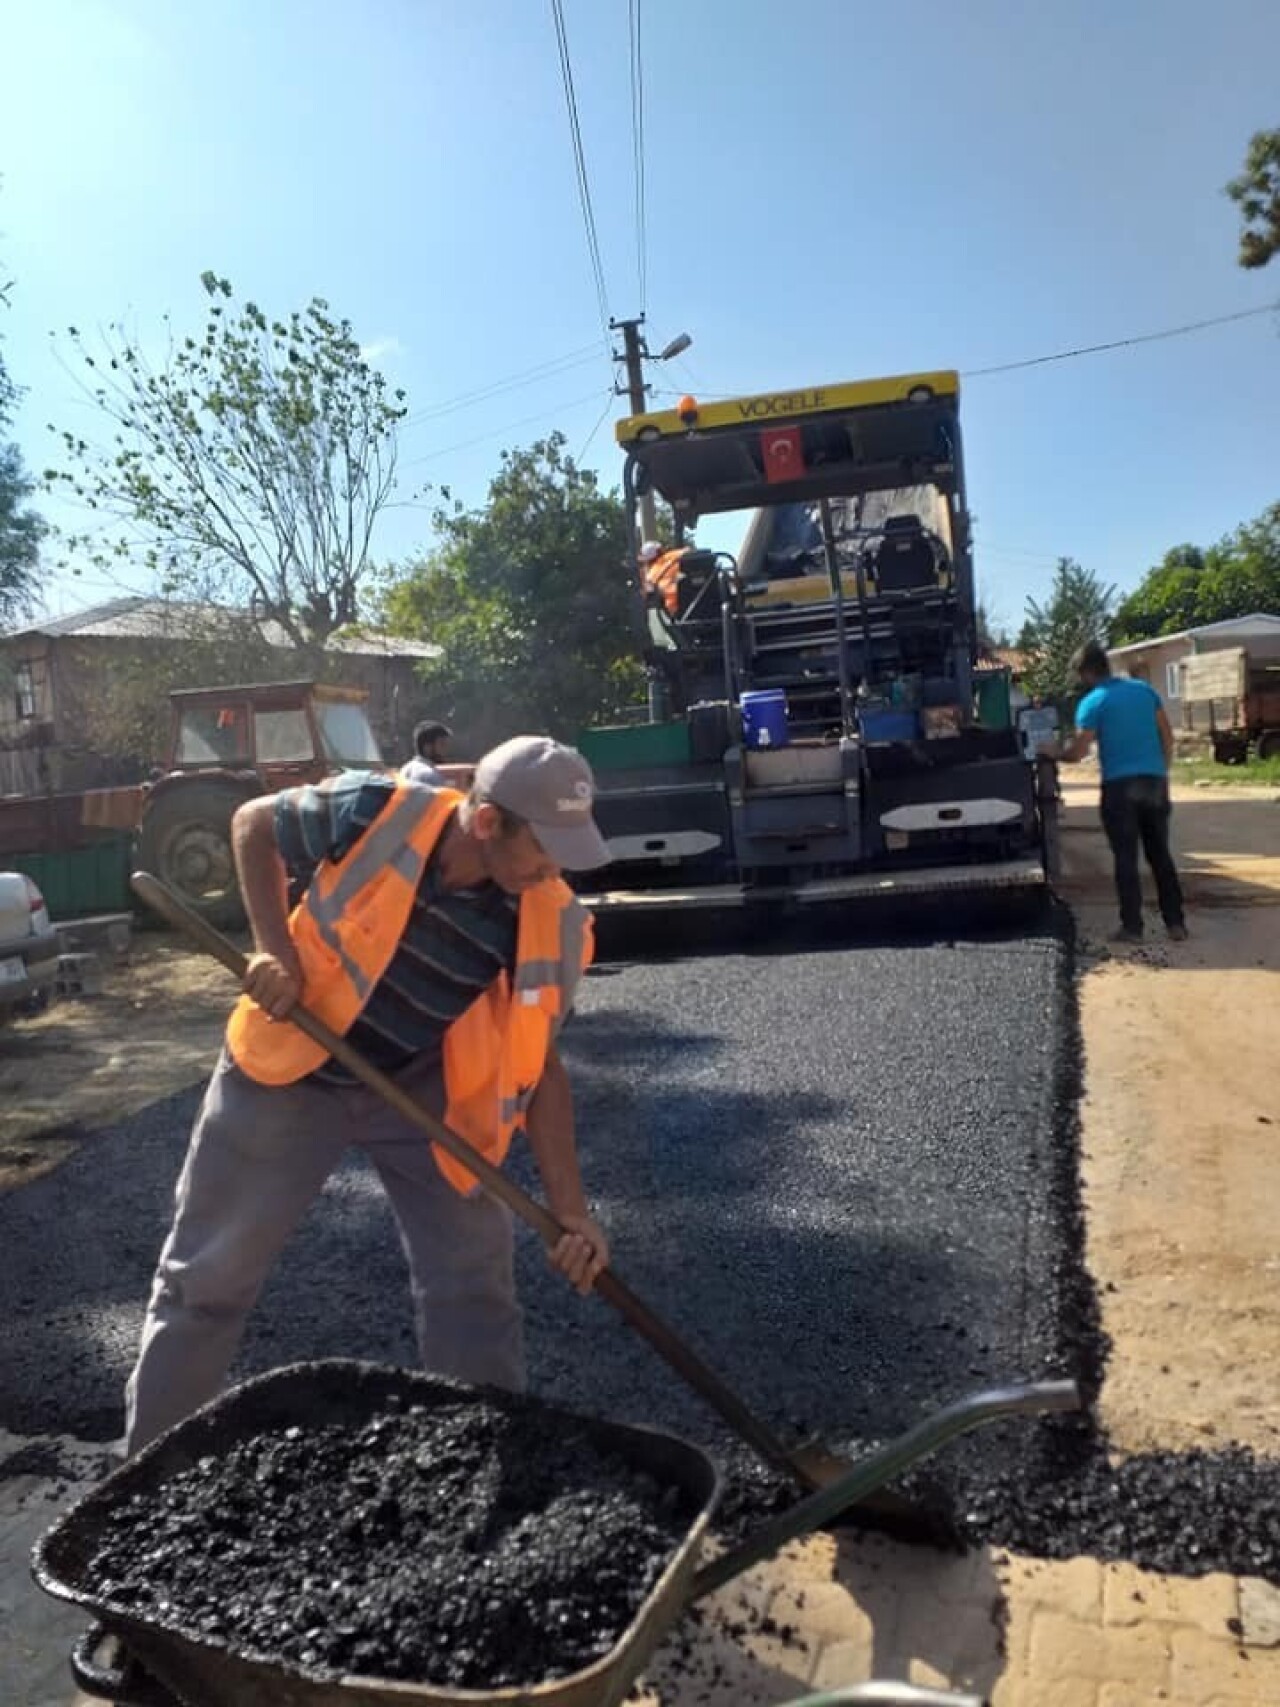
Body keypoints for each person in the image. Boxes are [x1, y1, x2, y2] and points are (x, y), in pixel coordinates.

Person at [124, 736, 612, 1453]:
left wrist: (571, 1210)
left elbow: (544, 1071)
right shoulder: (376, 808)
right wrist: (274, 952)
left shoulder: (554, 920)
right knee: (206, 1278)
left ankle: (483, 1465)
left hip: (423, 1086)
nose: (556, 868)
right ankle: (144, 1479)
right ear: (486, 823)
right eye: (545, 847)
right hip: (297, 1065)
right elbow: (254, 822)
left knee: (474, 1288)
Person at [1041, 641, 1187, 945]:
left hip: (1120, 788)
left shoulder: (1094, 702)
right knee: (1160, 855)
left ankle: (1132, 928)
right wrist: (1163, 769)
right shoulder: (1143, 691)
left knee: (1125, 858)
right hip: (1154, 781)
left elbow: (1080, 752)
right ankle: (1176, 924)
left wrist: (1053, 753)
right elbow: (1167, 734)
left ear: (1085, 673)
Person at [401, 718, 470, 787]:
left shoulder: (405, 769)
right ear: (427, 747)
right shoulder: (430, 776)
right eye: (442, 744)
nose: (445, 750)